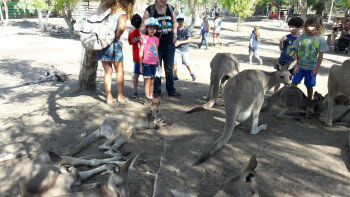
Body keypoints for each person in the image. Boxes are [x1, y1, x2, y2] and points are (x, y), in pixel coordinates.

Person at [95, 0, 135, 105]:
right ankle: (120, 96)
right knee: (119, 71)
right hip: (113, 43)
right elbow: (121, 27)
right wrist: (116, 37)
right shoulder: (121, 11)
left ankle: (109, 97)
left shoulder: (104, 9)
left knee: (107, 72)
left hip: (101, 43)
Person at [140, 0, 181, 98]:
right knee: (157, 68)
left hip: (170, 44)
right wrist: (142, 36)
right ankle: (156, 91)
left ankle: (171, 90)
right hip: (155, 46)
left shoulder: (170, 8)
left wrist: (175, 35)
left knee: (169, 69)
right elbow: (143, 26)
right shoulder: (150, 10)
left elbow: (174, 23)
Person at [292, 15, 329, 102]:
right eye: (307, 27)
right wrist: (295, 66)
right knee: (293, 85)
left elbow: (320, 56)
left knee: (309, 86)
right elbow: (295, 52)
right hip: (299, 67)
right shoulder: (301, 37)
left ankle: (309, 102)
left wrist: (316, 69)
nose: (309, 30)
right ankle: (291, 100)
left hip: (311, 69)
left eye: (312, 28)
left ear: (318, 27)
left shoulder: (320, 39)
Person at [274, 17, 304, 93]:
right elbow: (281, 49)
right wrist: (281, 41)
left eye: (292, 26)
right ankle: (274, 94)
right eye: (289, 26)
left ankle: (283, 95)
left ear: (300, 27)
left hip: (293, 64)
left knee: (287, 81)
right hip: (283, 62)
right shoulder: (287, 37)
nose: (290, 28)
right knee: (278, 80)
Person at [139, 17, 161, 105]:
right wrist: (141, 65)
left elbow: (156, 52)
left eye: (154, 28)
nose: (152, 30)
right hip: (146, 63)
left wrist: (159, 64)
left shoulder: (156, 39)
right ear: (147, 28)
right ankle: (147, 98)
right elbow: (141, 52)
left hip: (154, 63)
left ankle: (151, 96)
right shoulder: (144, 38)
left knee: (152, 81)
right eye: (150, 28)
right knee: (146, 81)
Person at [173, 14, 196, 81]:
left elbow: (189, 40)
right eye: (179, 20)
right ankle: (175, 75)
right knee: (175, 62)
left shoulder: (186, 30)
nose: (180, 22)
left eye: (182, 20)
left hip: (184, 49)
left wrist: (180, 42)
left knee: (186, 62)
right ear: (177, 21)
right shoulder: (175, 29)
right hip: (176, 48)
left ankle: (192, 73)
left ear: (183, 21)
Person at [128, 13, 142, 98]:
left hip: (137, 58)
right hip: (145, 58)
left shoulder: (132, 33)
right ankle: (145, 91)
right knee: (146, 76)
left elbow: (130, 42)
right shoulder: (145, 32)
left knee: (136, 75)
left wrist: (130, 34)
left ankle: (135, 91)